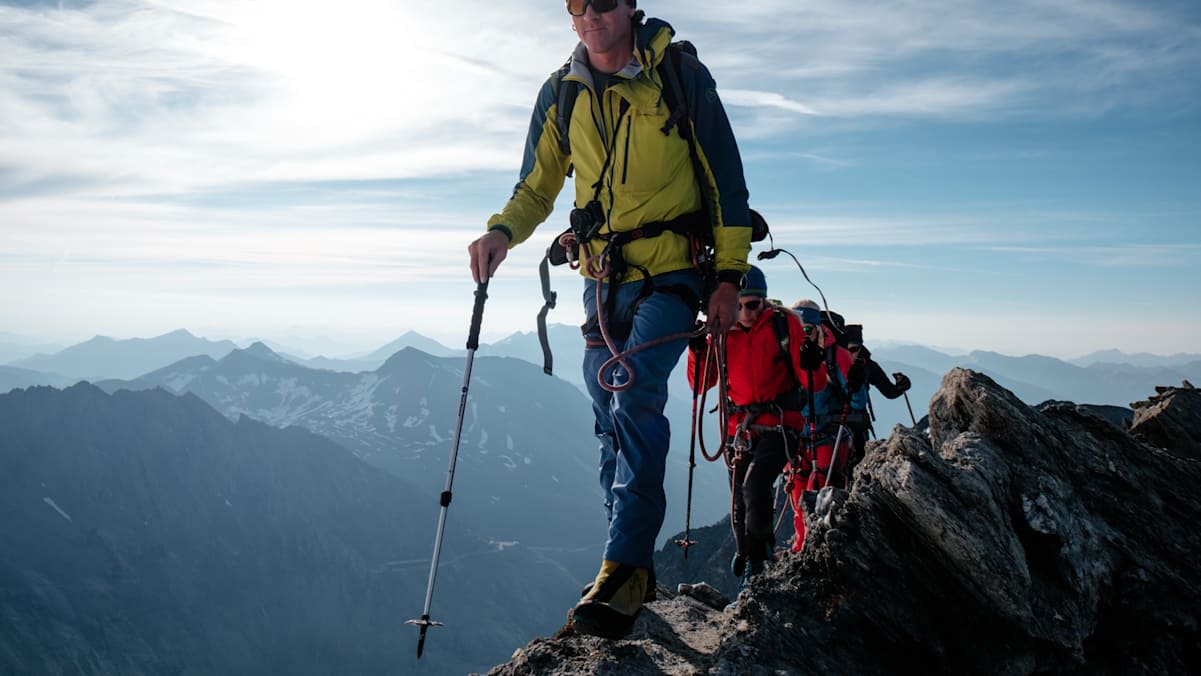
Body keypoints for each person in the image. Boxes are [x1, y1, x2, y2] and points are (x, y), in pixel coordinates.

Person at [467, 0, 752, 639]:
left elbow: (726, 181)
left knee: (634, 395)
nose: (590, 14)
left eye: (604, 1)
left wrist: (729, 277)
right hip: (600, 279)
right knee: (606, 415)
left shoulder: (678, 75)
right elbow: (537, 185)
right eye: (576, 3)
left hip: (674, 274)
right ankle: (624, 564)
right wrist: (501, 233)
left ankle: (623, 566)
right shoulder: (561, 93)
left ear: (630, 6)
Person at [687, 266, 826, 590]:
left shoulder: (784, 323)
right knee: (738, 501)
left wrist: (811, 359)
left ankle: (758, 561)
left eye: (754, 304)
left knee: (754, 487)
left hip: (781, 424)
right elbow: (701, 383)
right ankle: (750, 552)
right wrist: (697, 350)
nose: (747, 313)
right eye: (741, 305)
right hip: (741, 429)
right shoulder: (719, 331)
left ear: (765, 302)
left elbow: (814, 385)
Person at [787, 299, 854, 552]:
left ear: (817, 327)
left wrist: (855, 384)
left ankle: (816, 548)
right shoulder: (789, 353)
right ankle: (801, 547)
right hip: (796, 438)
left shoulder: (836, 355)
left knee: (819, 490)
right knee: (797, 496)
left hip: (827, 436)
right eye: (798, 328)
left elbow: (855, 398)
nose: (804, 334)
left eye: (808, 329)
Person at [841, 323, 912, 467]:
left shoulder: (868, 366)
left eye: (854, 349)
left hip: (857, 425)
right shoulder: (832, 364)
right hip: (839, 424)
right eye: (845, 349)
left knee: (857, 466)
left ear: (860, 348)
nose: (850, 354)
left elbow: (889, 392)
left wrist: (902, 386)